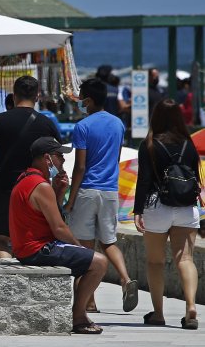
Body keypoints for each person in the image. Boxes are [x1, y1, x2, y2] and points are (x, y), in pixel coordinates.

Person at [10, 137, 108, 334]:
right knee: (99, 263)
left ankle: (79, 314)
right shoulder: (41, 185)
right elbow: (59, 228)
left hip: (26, 248)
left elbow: (43, 215)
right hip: (38, 249)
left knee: (87, 260)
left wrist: (59, 191)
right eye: (60, 156)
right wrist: (80, 248)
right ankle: (78, 317)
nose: (62, 161)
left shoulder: (26, 179)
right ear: (47, 158)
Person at [64, 78, 137, 313]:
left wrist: (71, 199)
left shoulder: (83, 127)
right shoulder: (118, 124)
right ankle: (126, 280)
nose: (80, 102)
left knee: (86, 248)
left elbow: (80, 167)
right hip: (109, 190)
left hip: (87, 190)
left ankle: (90, 301)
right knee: (109, 241)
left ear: (89, 100)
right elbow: (115, 158)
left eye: (82, 98)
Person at [133, 100, 201, 330]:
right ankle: (191, 306)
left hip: (157, 206)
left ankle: (158, 314)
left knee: (155, 261)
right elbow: (196, 178)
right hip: (185, 206)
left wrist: (138, 210)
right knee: (186, 259)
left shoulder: (150, 144)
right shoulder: (188, 144)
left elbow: (143, 180)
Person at [0, 76, 60, 258]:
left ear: (14, 96)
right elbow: (56, 157)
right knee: (30, 239)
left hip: (4, 187)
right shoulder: (46, 123)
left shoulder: (0, 120)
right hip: (35, 189)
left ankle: (8, 276)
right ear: (37, 96)